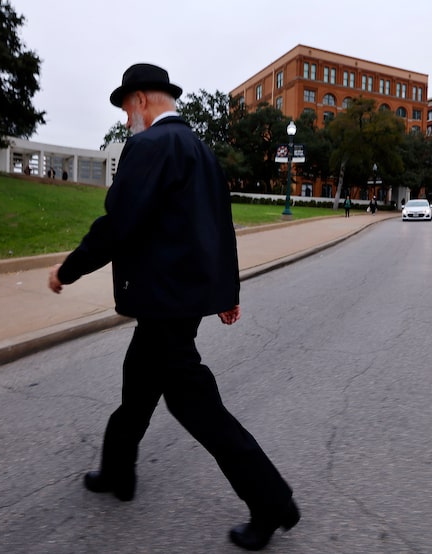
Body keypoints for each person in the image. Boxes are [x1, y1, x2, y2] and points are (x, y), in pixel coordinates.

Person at [47, 63, 299, 551]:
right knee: (138, 386)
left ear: (141, 100)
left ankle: (271, 502)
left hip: (164, 301)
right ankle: (119, 472)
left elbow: (117, 225)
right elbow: (219, 228)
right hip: (180, 301)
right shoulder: (200, 150)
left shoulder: (149, 147)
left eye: (125, 110)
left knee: (196, 406)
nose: (126, 122)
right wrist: (228, 293)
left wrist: (68, 270)